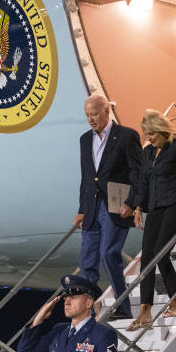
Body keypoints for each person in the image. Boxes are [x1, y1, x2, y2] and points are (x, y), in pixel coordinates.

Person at [128, 110, 176, 331]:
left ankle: (175, 302)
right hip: (155, 207)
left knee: (161, 253)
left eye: (152, 133)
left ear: (163, 131)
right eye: (147, 134)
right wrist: (138, 207)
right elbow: (143, 182)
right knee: (147, 257)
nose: (149, 138)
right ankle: (145, 310)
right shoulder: (147, 153)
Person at [74, 94, 142, 319]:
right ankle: (86, 313)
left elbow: (137, 172)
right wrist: (81, 209)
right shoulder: (85, 140)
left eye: (94, 114)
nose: (90, 119)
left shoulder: (126, 136)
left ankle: (123, 307)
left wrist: (133, 202)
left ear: (107, 112)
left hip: (116, 205)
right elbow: (86, 177)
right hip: (92, 207)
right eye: (87, 115)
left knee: (109, 253)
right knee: (88, 261)